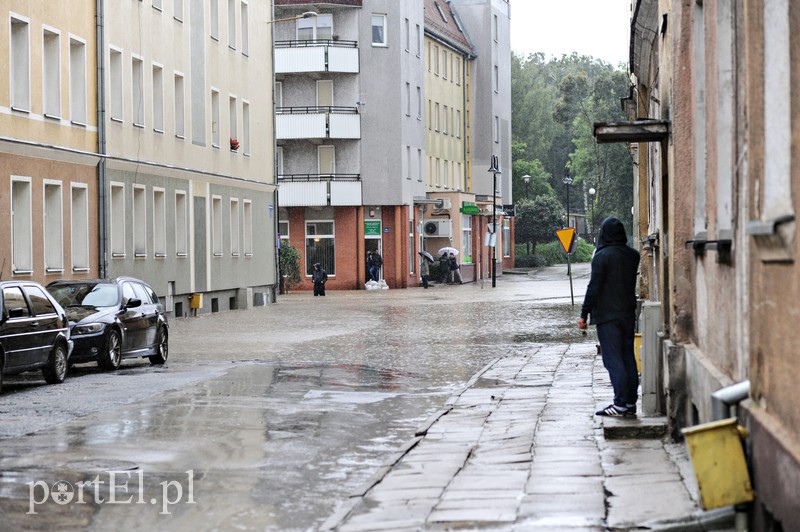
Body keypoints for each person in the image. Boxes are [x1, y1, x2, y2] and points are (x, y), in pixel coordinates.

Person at [578, 217, 640, 417]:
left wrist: (584, 314)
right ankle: (630, 403)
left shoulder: (601, 256)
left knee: (613, 360)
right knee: (628, 357)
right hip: (628, 314)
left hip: (607, 316)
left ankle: (620, 403)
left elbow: (593, 287)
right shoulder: (633, 256)